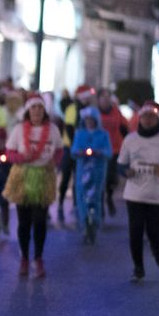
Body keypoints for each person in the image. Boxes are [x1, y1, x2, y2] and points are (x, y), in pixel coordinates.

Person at [117, 102, 159, 282]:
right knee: (135, 231)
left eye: (152, 117)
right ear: (139, 118)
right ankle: (138, 268)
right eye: (144, 117)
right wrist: (126, 172)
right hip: (134, 193)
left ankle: (156, 247)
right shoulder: (130, 139)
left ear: (157, 119)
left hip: (156, 194)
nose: (148, 120)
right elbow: (120, 165)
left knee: (154, 231)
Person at [6, 96, 60, 278]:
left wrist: (54, 161)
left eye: (40, 107)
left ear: (44, 111)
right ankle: (24, 259)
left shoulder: (53, 130)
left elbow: (60, 150)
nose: (37, 111)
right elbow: (9, 152)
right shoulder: (19, 129)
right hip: (23, 177)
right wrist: (22, 157)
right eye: (33, 107)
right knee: (24, 222)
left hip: (44, 178)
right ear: (28, 111)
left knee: (39, 221)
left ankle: (38, 258)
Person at [71, 105, 113, 245]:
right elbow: (74, 151)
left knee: (95, 198)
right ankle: (84, 223)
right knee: (81, 197)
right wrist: (80, 153)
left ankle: (95, 222)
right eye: (87, 119)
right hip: (82, 172)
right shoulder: (79, 134)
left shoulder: (103, 134)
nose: (89, 121)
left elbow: (109, 152)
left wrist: (99, 152)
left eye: (91, 119)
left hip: (97, 172)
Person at [57, 86, 93, 222]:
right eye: (86, 96)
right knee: (66, 177)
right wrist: (76, 145)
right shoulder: (72, 109)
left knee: (79, 178)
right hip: (70, 148)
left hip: (83, 149)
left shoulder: (90, 109)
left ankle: (76, 205)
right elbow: (69, 128)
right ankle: (60, 203)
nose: (87, 98)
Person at [95, 89, 130, 215]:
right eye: (103, 97)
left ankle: (109, 197)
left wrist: (127, 145)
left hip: (114, 149)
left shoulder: (116, 111)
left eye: (108, 97)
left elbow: (125, 128)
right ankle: (100, 204)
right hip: (99, 151)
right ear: (98, 100)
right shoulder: (94, 112)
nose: (106, 100)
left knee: (111, 177)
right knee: (100, 178)